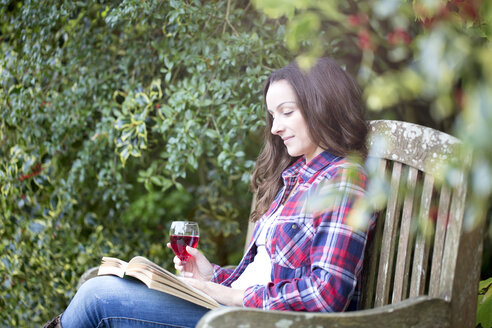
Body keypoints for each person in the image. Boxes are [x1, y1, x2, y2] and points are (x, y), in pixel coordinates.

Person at [44, 57, 374, 328]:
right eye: (273, 116)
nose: (274, 127)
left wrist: (228, 295)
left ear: (322, 105)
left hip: (260, 321)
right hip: (240, 311)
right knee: (112, 285)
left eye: (286, 112)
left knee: (98, 298)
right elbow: (268, 271)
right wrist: (212, 275)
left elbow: (326, 295)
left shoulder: (341, 180)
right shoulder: (296, 177)